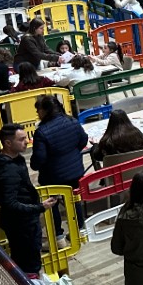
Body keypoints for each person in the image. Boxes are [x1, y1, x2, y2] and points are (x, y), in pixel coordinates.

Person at [0, 123, 57, 276]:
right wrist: (40, 207)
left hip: (27, 222)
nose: (27, 141)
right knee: (28, 266)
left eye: (26, 137)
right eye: (21, 139)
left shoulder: (17, 160)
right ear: (8, 143)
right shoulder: (6, 170)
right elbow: (10, 204)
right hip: (21, 226)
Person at [30, 94, 88, 247]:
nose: (37, 114)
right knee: (75, 200)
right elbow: (83, 140)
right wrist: (72, 154)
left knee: (52, 204)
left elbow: (39, 158)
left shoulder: (41, 132)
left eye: (38, 110)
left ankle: (58, 237)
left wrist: (35, 164)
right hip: (75, 170)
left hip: (52, 176)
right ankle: (79, 230)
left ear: (45, 110)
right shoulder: (72, 121)